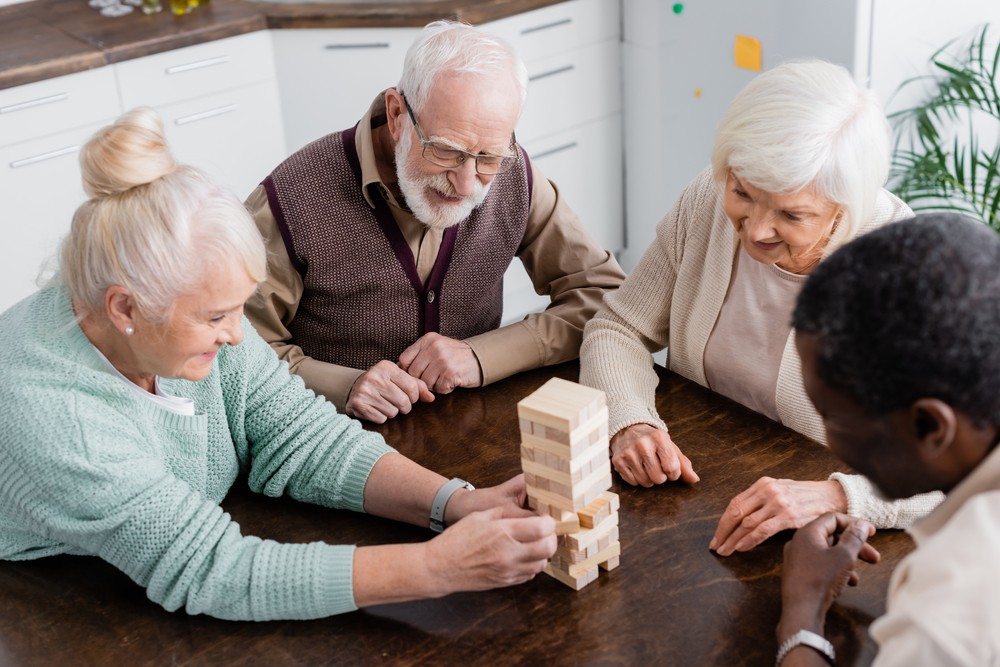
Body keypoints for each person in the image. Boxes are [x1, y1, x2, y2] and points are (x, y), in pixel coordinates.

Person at [0, 108, 557, 621]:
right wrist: (437, 568)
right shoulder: (56, 415)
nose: (238, 335)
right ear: (124, 307)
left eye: (239, 306)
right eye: (217, 316)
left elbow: (301, 436)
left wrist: (455, 503)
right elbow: (213, 570)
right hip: (54, 600)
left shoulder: (178, 319)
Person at [579, 60, 942, 552]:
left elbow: (972, 473)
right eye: (743, 193)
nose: (756, 231)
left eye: (792, 215)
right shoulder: (705, 201)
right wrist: (629, 418)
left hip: (827, 546)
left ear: (846, 209)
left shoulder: (905, 269)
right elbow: (618, 329)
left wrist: (839, 495)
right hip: (695, 502)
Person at [243, 20, 625, 424]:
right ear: (396, 115)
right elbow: (233, 351)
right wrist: (343, 387)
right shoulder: (288, 198)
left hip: (474, 433)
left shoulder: (514, 175)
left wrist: (482, 356)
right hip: (329, 439)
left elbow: (605, 296)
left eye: (488, 158)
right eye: (445, 151)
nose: (465, 184)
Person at [775, 213, 1000, 666]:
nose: (826, 437)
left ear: (930, 427)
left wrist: (802, 610)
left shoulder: (948, 617)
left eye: (833, 417)